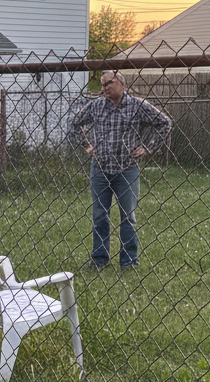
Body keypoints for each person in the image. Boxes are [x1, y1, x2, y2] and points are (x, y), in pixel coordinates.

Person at [68, 71, 172, 270]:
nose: (104, 88)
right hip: (100, 169)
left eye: (109, 83)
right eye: (102, 85)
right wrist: (87, 146)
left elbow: (165, 123)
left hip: (127, 169)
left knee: (128, 216)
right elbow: (75, 124)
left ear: (123, 85)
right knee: (99, 215)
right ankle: (99, 260)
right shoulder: (96, 106)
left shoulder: (137, 106)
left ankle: (129, 261)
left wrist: (148, 147)